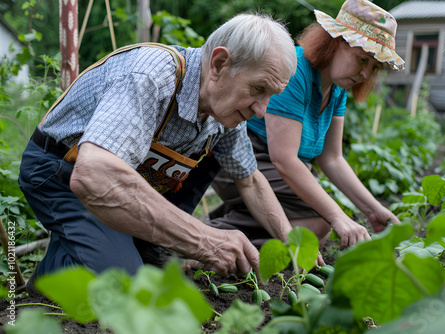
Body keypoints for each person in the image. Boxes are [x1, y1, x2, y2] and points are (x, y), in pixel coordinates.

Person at [18, 12, 298, 294]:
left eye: (270, 96)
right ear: (219, 64)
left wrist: (294, 244)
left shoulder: (224, 110)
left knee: (214, 157)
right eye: (259, 89)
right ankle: (50, 278)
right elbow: (94, 175)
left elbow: (249, 179)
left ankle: (135, 248)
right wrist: (203, 240)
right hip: (61, 169)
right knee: (123, 285)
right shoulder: (150, 74)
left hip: (123, 181)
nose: (262, 110)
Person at [207, 0, 404, 252]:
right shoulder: (295, 70)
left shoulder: (336, 88)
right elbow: (284, 159)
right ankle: (217, 238)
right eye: (363, 59)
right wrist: (337, 216)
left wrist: (374, 209)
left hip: (276, 169)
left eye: (374, 68)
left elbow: (331, 158)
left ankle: (231, 228)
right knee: (321, 222)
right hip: (245, 160)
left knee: (314, 229)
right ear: (336, 42)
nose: (365, 75)